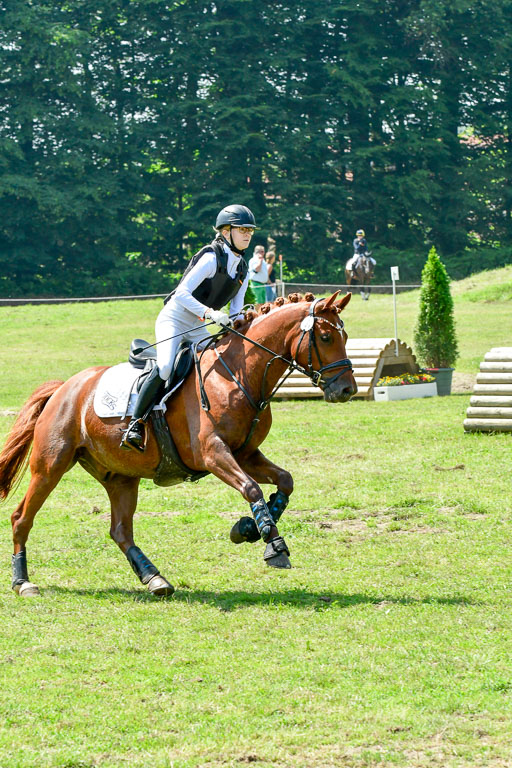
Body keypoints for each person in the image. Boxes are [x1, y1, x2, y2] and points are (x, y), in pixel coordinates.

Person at [120, 204, 256, 452]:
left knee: (216, 367)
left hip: (198, 326)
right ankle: (135, 424)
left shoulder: (243, 269)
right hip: (174, 319)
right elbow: (181, 293)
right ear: (226, 232)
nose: (248, 234)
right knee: (165, 367)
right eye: (242, 229)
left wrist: (243, 320)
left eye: (250, 230)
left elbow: (236, 311)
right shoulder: (211, 258)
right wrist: (210, 313)